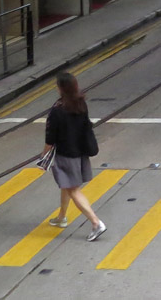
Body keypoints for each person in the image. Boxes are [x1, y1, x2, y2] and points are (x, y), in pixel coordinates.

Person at [39, 72, 106, 241]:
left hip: (65, 154)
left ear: (60, 88)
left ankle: (96, 223)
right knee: (67, 185)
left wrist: (44, 154)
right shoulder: (80, 103)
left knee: (73, 189)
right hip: (80, 152)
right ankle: (61, 217)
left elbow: (50, 137)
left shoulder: (57, 110)